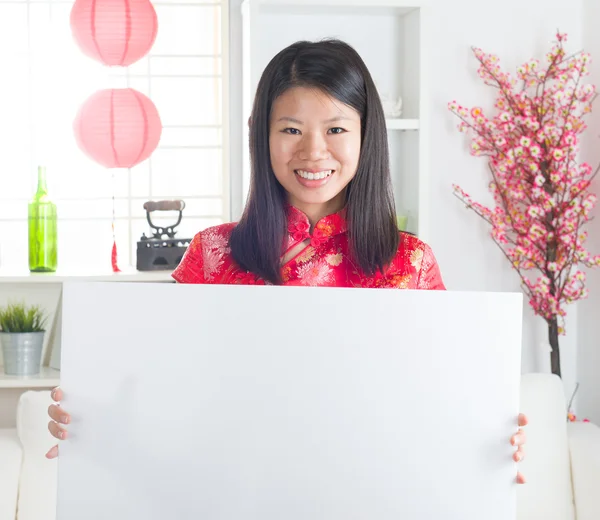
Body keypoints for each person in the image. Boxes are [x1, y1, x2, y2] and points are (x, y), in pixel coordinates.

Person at [46, 38, 528, 482]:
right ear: (262, 135)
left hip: (372, 490)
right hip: (233, 487)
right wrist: (89, 418)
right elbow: (161, 387)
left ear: (366, 134)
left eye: (336, 128)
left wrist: (488, 440)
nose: (313, 151)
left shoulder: (411, 262)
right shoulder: (213, 255)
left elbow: (442, 396)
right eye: (291, 129)